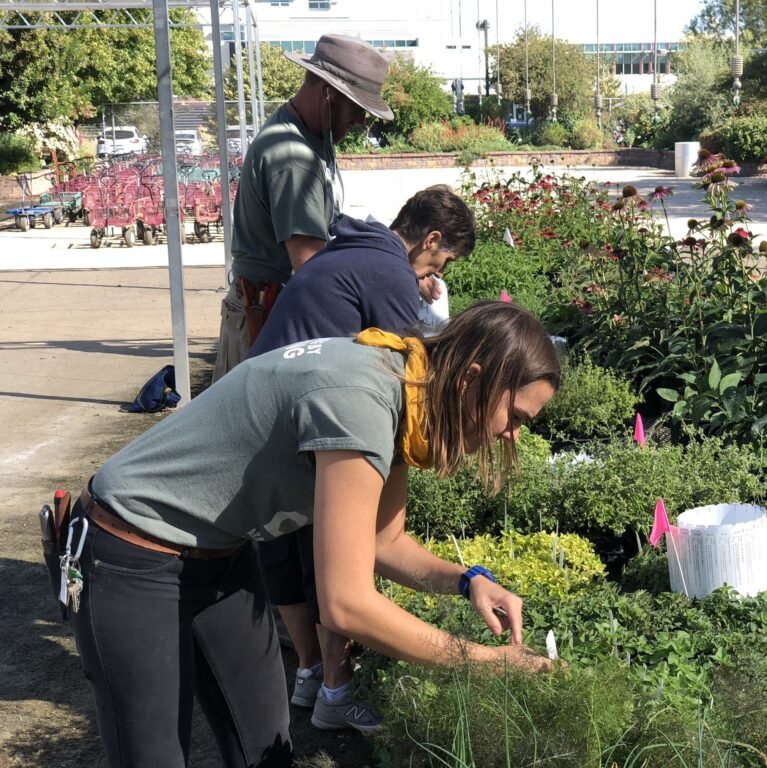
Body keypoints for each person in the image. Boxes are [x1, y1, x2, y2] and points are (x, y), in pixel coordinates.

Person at [67, 301, 559, 767]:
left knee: (266, 747)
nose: (512, 435)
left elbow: (384, 543)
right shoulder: (362, 399)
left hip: (221, 554)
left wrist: (469, 579)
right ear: (471, 379)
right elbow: (346, 604)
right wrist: (479, 660)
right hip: (130, 549)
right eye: (514, 418)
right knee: (153, 755)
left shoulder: (407, 391)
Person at [249, 184, 475, 732]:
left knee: (291, 560)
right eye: (444, 259)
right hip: (307, 431)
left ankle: (308, 675)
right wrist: (430, 312)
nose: (439, 270)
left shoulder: (351, 247)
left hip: (264, 416)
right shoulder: (388, 271)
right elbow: (408, 372)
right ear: (432, 238)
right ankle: (335, 689)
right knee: (334, 566)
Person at [212, 33, 394, 381]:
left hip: (269, 314)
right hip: (264, 322)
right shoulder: (294, 159)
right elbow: (312, 267)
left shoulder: (306, 132)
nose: (358, 122)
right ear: (328, 95)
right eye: (356, 109)